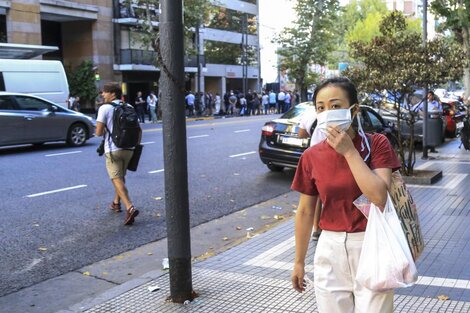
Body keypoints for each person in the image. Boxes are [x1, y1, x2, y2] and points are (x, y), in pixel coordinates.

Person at [291, 77, 401, 312]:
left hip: (372, 243)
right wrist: (299, 262)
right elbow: (305, 211)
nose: (327, 112)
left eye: (335, 106)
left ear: (354, 110)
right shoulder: (311, 156)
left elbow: (379, 196)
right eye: (321, 107)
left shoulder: (377, 144)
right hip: (329, 248)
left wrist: (350, 153)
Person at [96, 82, 141, 226]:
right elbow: (138, 130)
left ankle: (130, 207)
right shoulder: (129, 107)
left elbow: (98, 133)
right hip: (129, 149)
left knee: (116, 178)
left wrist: (101, 129)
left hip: (113, 149)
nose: (102, 95)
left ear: (112, 94)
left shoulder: (105, 108)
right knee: (120, 177)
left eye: (104, 92)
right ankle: (116, 203)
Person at [297, 105, 322, 241]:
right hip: (326, 155)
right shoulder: (343, 111)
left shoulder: (309, 113)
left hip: (316, 155)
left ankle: (317, 228)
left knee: (317, 195)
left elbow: (301, 133)